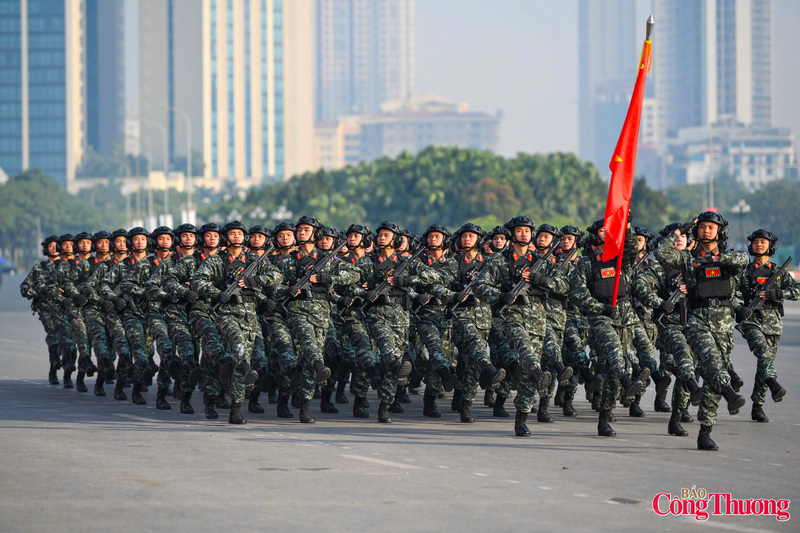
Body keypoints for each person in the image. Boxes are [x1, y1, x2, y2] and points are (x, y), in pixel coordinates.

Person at [656, 211, 748, 451]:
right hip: (697, 320)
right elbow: (662, 253)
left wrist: (717, 261)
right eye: (702, 227)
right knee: (712, 362)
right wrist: (681, 229)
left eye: (711, 227)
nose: (706, 230)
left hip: (724, 325)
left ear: (719, 231)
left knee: (710, 380)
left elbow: (743, 260)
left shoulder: (727, 258)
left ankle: (705, 432)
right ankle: (729, 391)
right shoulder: (687, 260)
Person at [474, 216, 566, 437]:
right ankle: (537, 371)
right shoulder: (500, 261)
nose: (524, 234)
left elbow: (564, 285)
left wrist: (541, 280)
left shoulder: (541, 262)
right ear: (511, 233)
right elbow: (479, 286)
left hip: (538, 318)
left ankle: (521, 419)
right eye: (519, 230)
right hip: (512, 316)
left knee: (527, 375)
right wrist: (502, 295)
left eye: (527, 231)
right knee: (527, 354)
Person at [192, 221, 283, 424]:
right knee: (238, 352)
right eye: (231, 234)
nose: (236, 237)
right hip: (225, 315)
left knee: (240, 364)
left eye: (239, 234)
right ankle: (210, 401)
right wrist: (218, 293)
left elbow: (276, 275)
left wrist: (255, 280)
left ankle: (236, 408)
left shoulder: (253, 260)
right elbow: (198, 280)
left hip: (249, 316)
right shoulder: (217, 260)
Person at [569, 219, 649, 437]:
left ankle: (604, 418)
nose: (606, 233)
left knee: (610, 373)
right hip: (600, 318)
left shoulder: (621, 259)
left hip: (624, 317)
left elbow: (632, 248)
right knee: (614, 352)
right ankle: (627, 381)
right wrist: (601, 307)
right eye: (602, 231)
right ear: (595, 235)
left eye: (610, 230)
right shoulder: (586, 264)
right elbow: (577, 294)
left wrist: (629, 225)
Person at [735, 229, 798, 423]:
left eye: (763, 242)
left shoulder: (778, 273)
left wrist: (777, 294)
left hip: (773, 324)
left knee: (765, 364)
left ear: (770, 246)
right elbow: (732, 294)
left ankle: (758, 406)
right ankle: (773, 383)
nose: (759, 245)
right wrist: (740, 309)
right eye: (756, 242)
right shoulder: (744, 272)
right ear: (751, 246)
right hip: (751, 321)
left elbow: (796, 291)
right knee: (762, 353)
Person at [20, 235, 63, 384]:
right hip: (45, 307)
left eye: (56, 245)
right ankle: (54, 366)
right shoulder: (40, 268)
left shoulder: (67, 267)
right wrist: (38, 293)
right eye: (50, 245)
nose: (53, 248)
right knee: (53, 333)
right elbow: (25, 287)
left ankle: (64, 370)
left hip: (64, 308)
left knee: (68, 341)